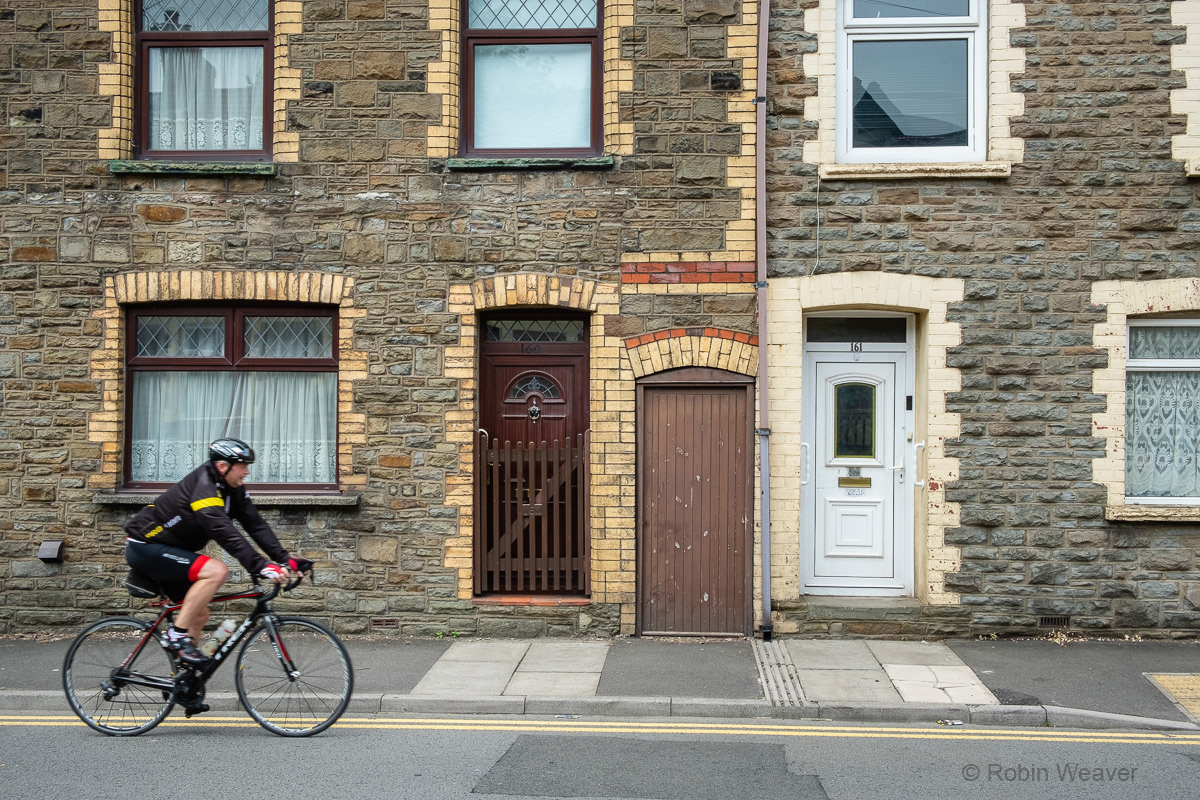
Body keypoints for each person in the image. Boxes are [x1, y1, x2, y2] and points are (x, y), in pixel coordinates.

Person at [124, 437, 308, 666]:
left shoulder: (232, 489)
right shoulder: (204, 488)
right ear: (222, 466)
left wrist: (284, 559)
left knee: (199, 614)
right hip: (145, 546)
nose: (247, 472)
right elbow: (222, 530)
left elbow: (255, 524)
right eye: (242, 466)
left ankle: (185, 679)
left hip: (172, 549)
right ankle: (176, 636)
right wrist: (260, 565)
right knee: (216, 571)